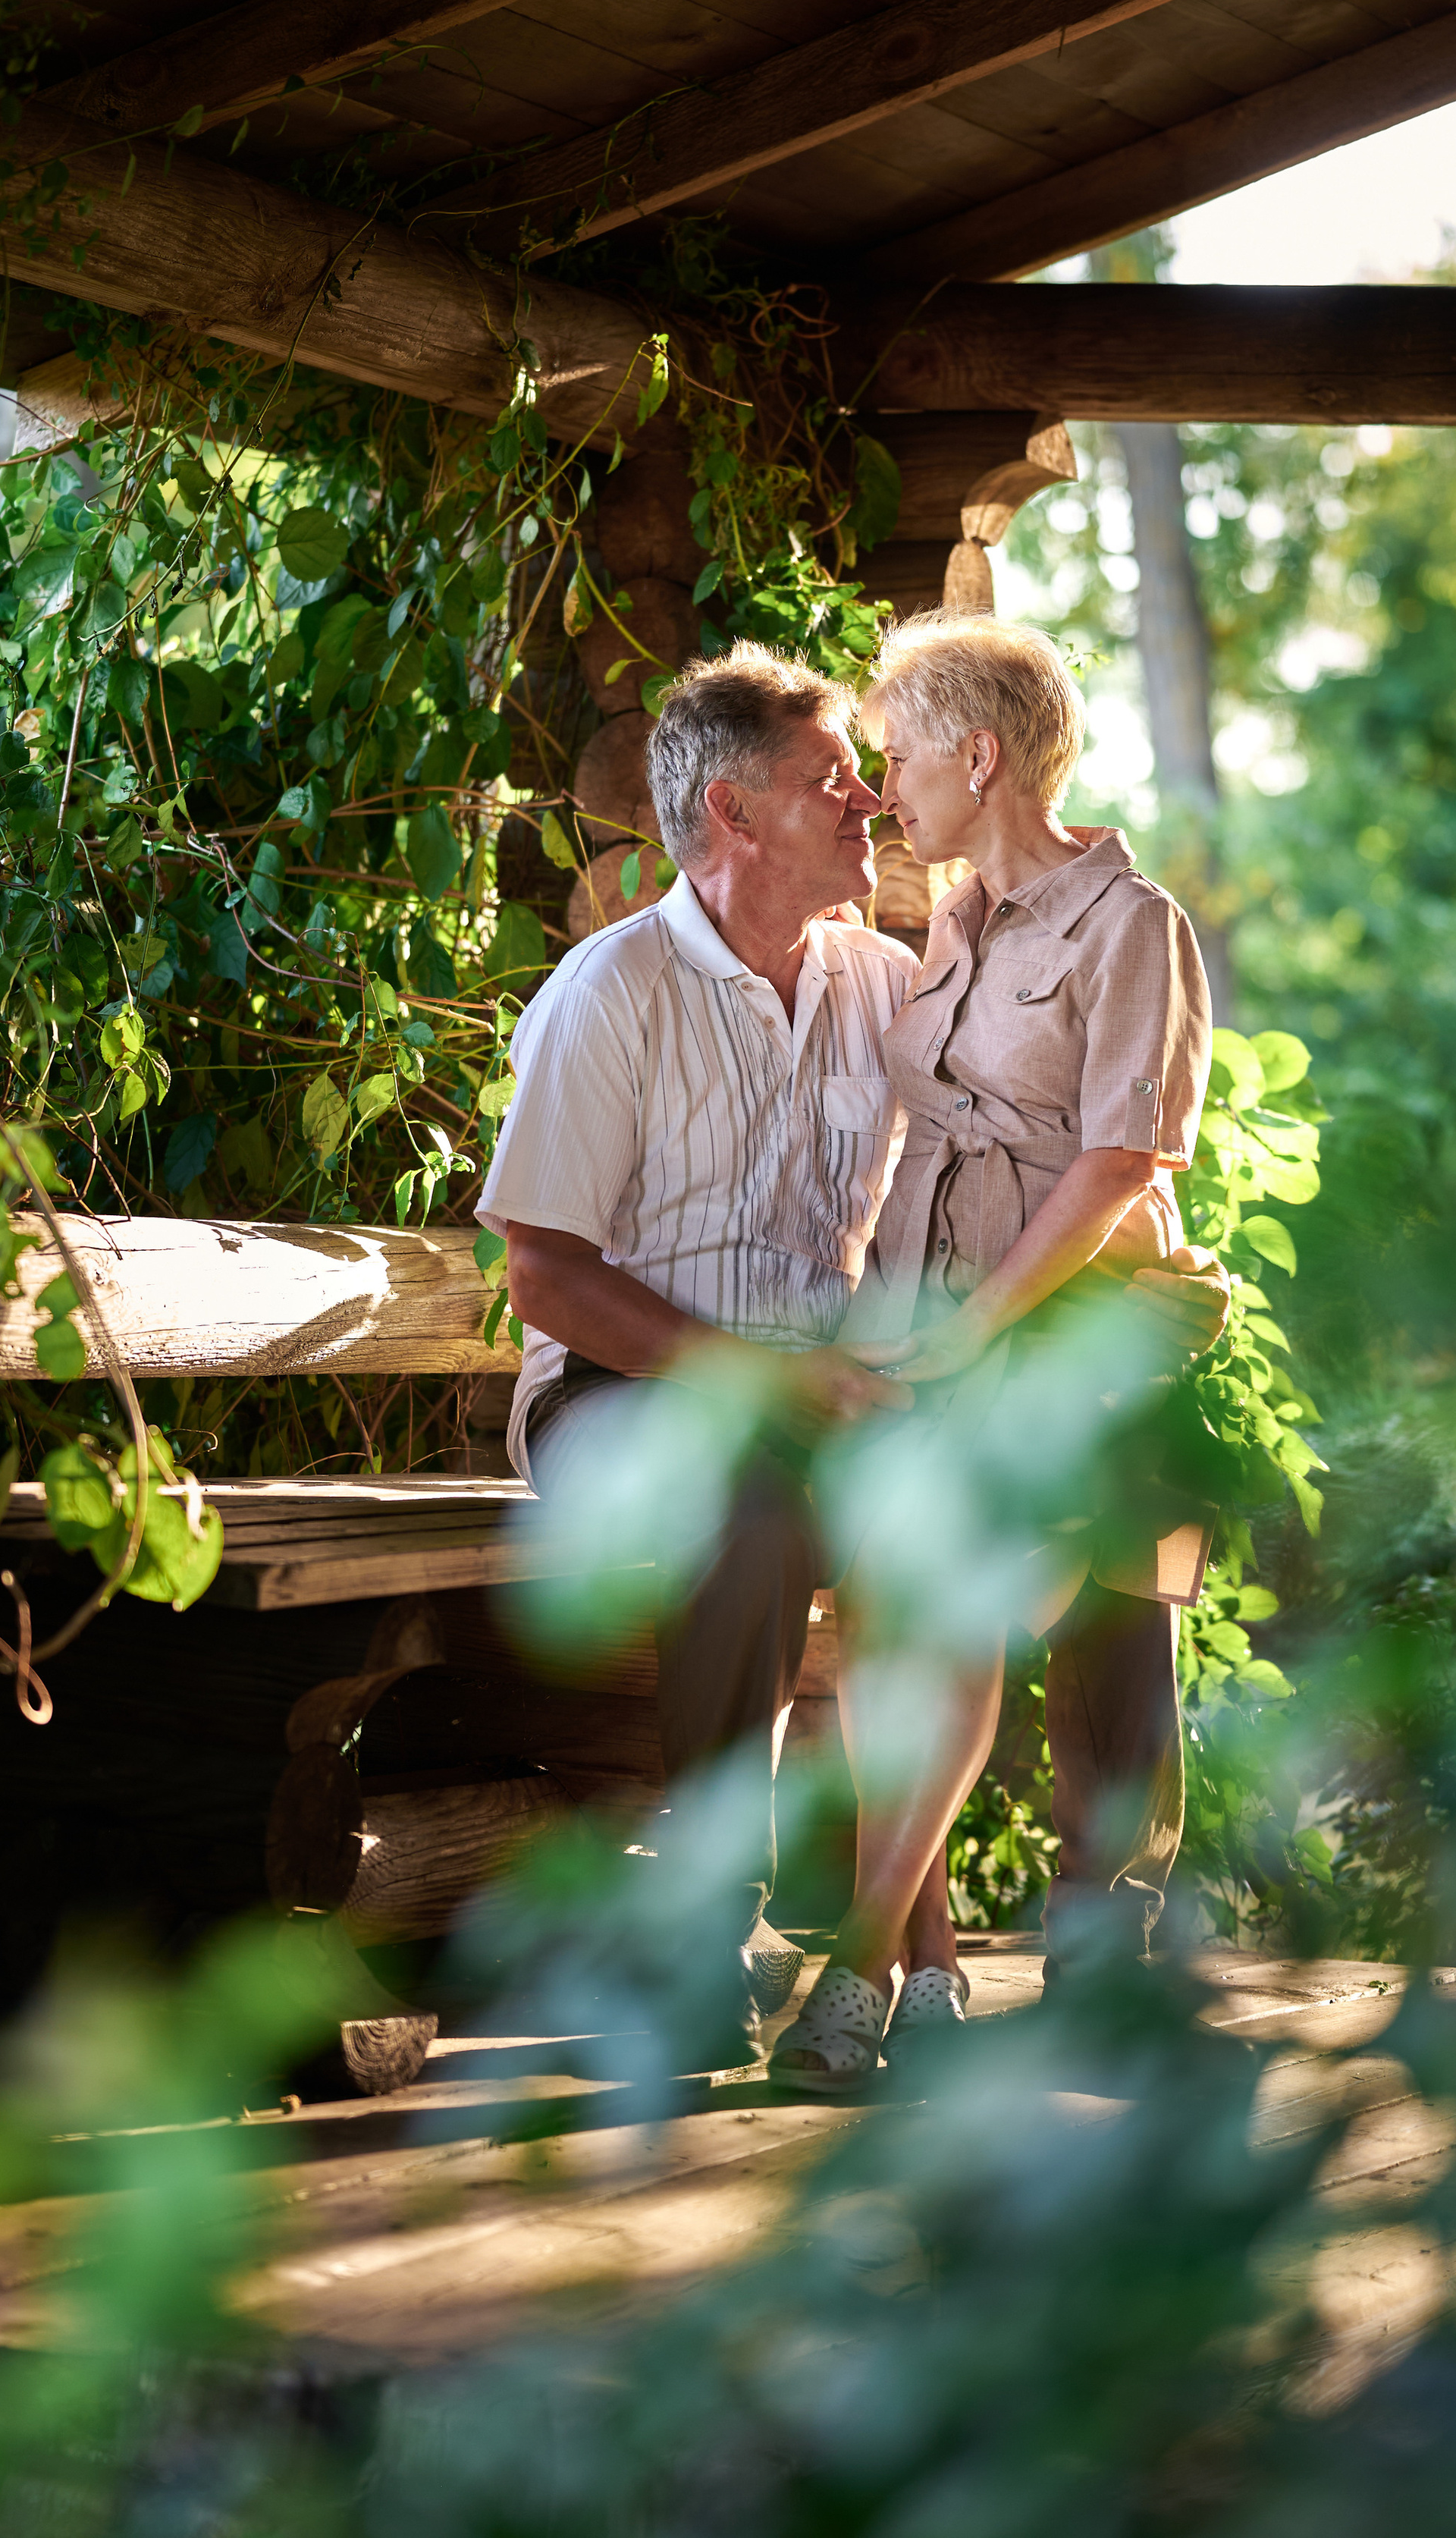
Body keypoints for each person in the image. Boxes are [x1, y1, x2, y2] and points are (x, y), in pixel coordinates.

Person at [768, 614, 1225, 2094]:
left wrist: (978, 1330)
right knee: (910, 1626)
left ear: (979, 756)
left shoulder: (1129, 924)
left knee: (1099, 1646)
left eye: (898, 756)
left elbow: (1113, 1163)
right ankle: (920, 1974)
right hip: (932, 1330)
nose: (884, 788)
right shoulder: (953, 916)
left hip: (1066, 1333)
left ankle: (1074, 1985)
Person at [477, 641, 918, 2068]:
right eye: (829, 777)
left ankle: (998, 1940)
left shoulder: (891, 987)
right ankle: (707, 1925)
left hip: (826, 1403)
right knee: (747, 1492)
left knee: (1049, 1502)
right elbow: (542, 1271)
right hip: (626, 1400)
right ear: (731, 814)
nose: (867, 799)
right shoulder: (611, 994)